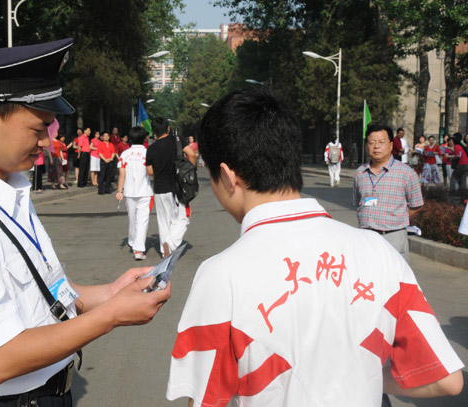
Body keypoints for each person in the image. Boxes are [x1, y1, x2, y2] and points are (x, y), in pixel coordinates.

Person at [166, 86, 463, 407]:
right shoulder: (379, 254)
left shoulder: (218, 276)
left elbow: (210, 399)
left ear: (226, 176)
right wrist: (368, 377)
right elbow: (444, 378)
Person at [0, 39, 170, 407]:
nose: (46, 144)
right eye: (38, 130)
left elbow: (44, 295)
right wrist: (111, 316)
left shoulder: (7, 191)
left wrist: (111, 293)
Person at [353, 124, 424, 263]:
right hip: (365, 238)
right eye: (372, 142)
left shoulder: (406, 173)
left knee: (395, 282)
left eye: (381, 142)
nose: (376, 146)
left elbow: (417, 205)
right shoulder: (359, 173)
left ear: (391, 145)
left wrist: (398, 217)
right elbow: (357, 203)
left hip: (393, 237)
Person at [146, 118, 196, 257]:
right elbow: (192, 154)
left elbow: (150, 172)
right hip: (177, 188)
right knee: (182, 219)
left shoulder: (151, 148)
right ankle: (171, 243)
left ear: (154, 133)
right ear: (168, 128)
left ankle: (164, 252)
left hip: (159, 189)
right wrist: (190, 171)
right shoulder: (177, 140)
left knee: (164, 222)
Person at [115, 127, 154, 260]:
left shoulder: (125, 154)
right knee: (142, 220)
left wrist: (120, 190)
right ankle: (138, 249)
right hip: (145, 191)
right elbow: (152, 173)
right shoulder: (148, 153)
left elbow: (122, 174)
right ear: (144, 138)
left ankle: (135, 245)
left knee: (133, 219)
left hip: (129, 192)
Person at [49, 125, 68, 189]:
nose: (55, 134)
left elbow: (60, 151)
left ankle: (61, 184)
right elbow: (49, 151)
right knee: (53, 171)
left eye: (56, 133)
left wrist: (62, 158)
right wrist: (50, 159)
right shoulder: (51, 141)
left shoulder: (59, 141)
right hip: (53, 157)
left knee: (60, 171)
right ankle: (53, 184)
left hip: (58, 158)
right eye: (54, 132)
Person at [97, 131, 116, 195]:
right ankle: (100, 190)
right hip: (103, 161)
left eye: (107, 136)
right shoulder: (101, 144)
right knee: (102, 176)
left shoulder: (111, 144)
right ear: (102, 137)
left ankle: (107, 189)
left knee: (108, 176)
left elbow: (113, 152)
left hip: (110, 161)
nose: (106, 137)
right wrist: (105, 159)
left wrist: (111, 158)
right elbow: (99, 153)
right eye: (105, 136)